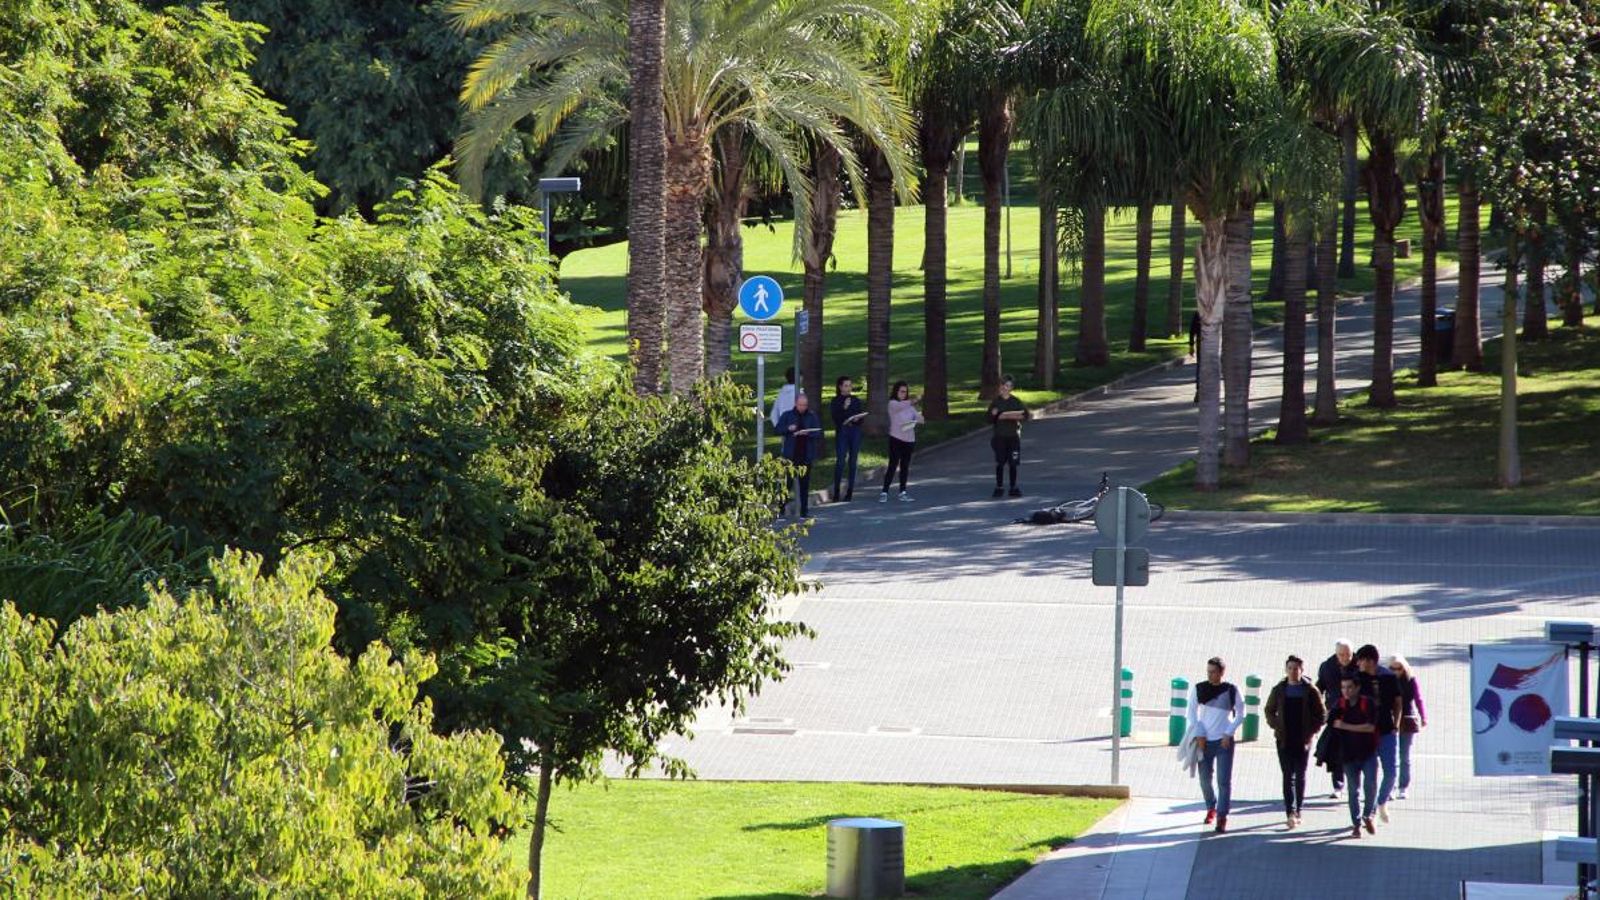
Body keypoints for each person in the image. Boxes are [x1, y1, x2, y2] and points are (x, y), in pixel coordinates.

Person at [1265, 654, 1327, 830]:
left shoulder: (1310, 690)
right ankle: (1290, 812)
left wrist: (1312, 731)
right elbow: (1269, 710)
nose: (1293, 671)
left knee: (1300, 774)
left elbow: (1321, 714)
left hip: (1303, 740)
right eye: (1290, 668)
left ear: (1302, 670)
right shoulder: (1279, 689)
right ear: (1286, 669)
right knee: (1287, 776)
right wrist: (1276, 726)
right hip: (1284, 740)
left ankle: (1299, 809)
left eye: (1296, 668)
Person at [1186, 657, 1244, 833]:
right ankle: (1211, 806)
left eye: (1213, 672)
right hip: (1204, 741)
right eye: (1208, 671)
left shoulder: (1232, 690)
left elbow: (1241, 713)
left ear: (1221, 673)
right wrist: (1199, 734)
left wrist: (1229, 732)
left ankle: (1221, 816)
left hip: (1224, 742)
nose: (1210, 675)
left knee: (1223, 781)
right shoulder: (1199, 689)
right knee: (1204, 779)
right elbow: (1191, 714)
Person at [1354, 644, 1403, 824]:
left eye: (1361, 660)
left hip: (1386, 730)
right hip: (1366, 733)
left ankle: (1381, 802)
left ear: (1370, 661)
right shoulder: (1357, 678)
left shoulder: (1388, 677)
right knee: (1370, 774)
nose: (1358, 663)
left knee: (1391, 772)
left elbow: (1398, 701)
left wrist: (1396, 724)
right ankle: (1371, 812)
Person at [1329, 674, 1380, 838]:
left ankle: (1368, 815)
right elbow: (1331, 724)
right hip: (1348, 755)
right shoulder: (1340, 704)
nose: (1346, 691)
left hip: (1368, 753)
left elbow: (1371, 727)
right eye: (1343, 687)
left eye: (1349, 687)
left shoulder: (1367, 703)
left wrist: (1346, 726)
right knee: (1353, 790)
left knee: (1371, 785)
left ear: (1357, 687)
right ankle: (1356, 823)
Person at [1316, 639, 1356, 798]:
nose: (1345, 658)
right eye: (1341, 654)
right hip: (1336, 715)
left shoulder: (1359, 665)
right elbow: (1320, 687)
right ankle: (1338, 785)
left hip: (1355, 715)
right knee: (1336, 752)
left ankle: (1354, 785)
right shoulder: (1327, 667)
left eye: (1348, 654)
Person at [776, 392, 822, 519]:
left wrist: (808, 433)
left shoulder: (811, 416)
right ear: (796, 404)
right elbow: (778, 429)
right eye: (801, 405)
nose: (803, 407)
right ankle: (780, 509)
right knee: (787, 484)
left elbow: (818, 432)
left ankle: (804, 511)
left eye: (805, 405)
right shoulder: (788, 415)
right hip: (791, 455)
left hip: (806, 455)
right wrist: (788, 428)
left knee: (804, 485)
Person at [986, 375, 1032, 498]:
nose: (1004, 388)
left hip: (1013, 437)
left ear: (1011, 388)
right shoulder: (996, 402)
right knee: (1000, 462)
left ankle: (1013, 487)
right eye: (1002, 386)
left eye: (1007, 386)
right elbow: (989, 419)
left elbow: (1026, 415)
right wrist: (994, 415)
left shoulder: (1015, 401)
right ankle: (999, 487)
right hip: (1000, 437)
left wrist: (1016, 416)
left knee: (1013, 463)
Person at [1389, 654, 1427, 800]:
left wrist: (1423, 716)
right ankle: (1390, 787)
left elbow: (1418, 699)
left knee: (1405, 756)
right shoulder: (1386, 679)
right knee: (1392, 757)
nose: (1395, 671)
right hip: (1390, 720)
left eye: (1399, 669)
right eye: (1392, 668)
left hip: (1406, 721)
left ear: (1404, 668)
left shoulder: (1411, 680)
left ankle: (1403, 786)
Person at [880, 382, 922, 503]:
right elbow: (901, 407)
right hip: (896, 438)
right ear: (896, 392)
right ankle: (884, 491)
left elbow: (919, 418)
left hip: (909, 439)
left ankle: (902, 492)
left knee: (905, 466)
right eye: (901, 391)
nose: (904, 394)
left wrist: (918, 418)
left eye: (905, 392)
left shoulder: (909, 406)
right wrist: (915, 400)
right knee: (893, 465)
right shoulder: (893, 404)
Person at [831, 376, 866, 501]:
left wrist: (858, 419)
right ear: (840, 387)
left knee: (853, 461)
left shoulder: (855, 400)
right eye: (846, 385)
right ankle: (836, 491)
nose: (849, 388)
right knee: (840, 461)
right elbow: (835, 418)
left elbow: (861, 416)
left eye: (850, 385)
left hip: (855, 431)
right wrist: (844, 408)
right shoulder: (836, 401)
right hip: (843, 432)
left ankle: (850, 491)